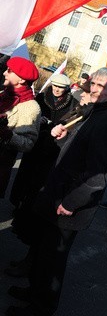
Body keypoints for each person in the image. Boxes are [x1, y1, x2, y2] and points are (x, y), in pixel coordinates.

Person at [5, 68, 107, 316]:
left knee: (52, 260)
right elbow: (76, 150)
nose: (93, 88)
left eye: (101, 86)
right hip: (57, 195)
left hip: (68, 204)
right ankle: (34, 293)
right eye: (93, 83)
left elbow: (98, 175)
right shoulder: (96, 112)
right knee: (42, 251)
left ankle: (41, 311)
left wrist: (71, 203)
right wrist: (62, 137)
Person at [9, 72, 78, 218]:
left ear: (66, 88)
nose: (57, 89)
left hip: (53, 147)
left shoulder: (73, 104)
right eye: (55, 85)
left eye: (61, 87)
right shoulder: (41, 98)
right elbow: (31, 115)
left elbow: (72, 124)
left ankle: (30, 205)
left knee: (41, 178)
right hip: (36, 141)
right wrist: (37, 121)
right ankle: (18, 202)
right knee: (25, 174)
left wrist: (62, 127)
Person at [0, 56, 41, 197]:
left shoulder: (31, 107)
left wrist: (7, 134)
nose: (5, 73)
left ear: (22, 79)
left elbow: (28, 144)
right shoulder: (3, 95)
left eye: (9, 71)